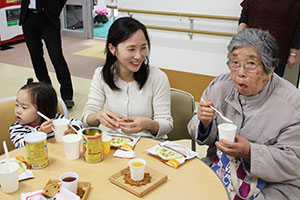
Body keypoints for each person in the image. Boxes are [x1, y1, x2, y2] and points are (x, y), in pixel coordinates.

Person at [188, 29, 300, 199]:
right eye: (234, 62)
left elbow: (293, 161)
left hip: (273, 183)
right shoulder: (219, 86)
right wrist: (204, 123)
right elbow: (195, 124)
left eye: (251, 64)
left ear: (270, 69)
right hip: (222, 168)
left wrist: (250, 152)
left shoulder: (292, 104)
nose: (240, 72)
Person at [81, 17, 173, 140]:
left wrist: (148, 124)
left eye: (143, 47)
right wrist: (98, 116)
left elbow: (167, 123)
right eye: (131, 49)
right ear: (112, 49)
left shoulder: (157, 77)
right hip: (116, 144)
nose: (138, 56)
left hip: (149, 145)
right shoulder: (101, 75)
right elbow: (86, 117)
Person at [19, 0, 75, 108]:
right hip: (28, 16)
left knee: (56, 56)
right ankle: (46, 91)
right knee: (36, 57)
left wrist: (54, 8)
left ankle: (67, 95)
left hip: (48, 17)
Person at [10, 79, 83, 149]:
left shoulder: (56, 118)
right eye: (17, 105)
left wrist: (73, 129)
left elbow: (78, 123)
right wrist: (40, 133)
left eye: (24, 107)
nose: (18, 111)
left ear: (43, 109)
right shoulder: (17, 128)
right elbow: (21, 146)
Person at [238, 0, 300, 77]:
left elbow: (298, 29)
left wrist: (293, 54)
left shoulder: (295, 3)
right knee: (248, 82)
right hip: (252, 49)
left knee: (272, 85)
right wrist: (239, 44)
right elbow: (243, 21)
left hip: (277, 52)